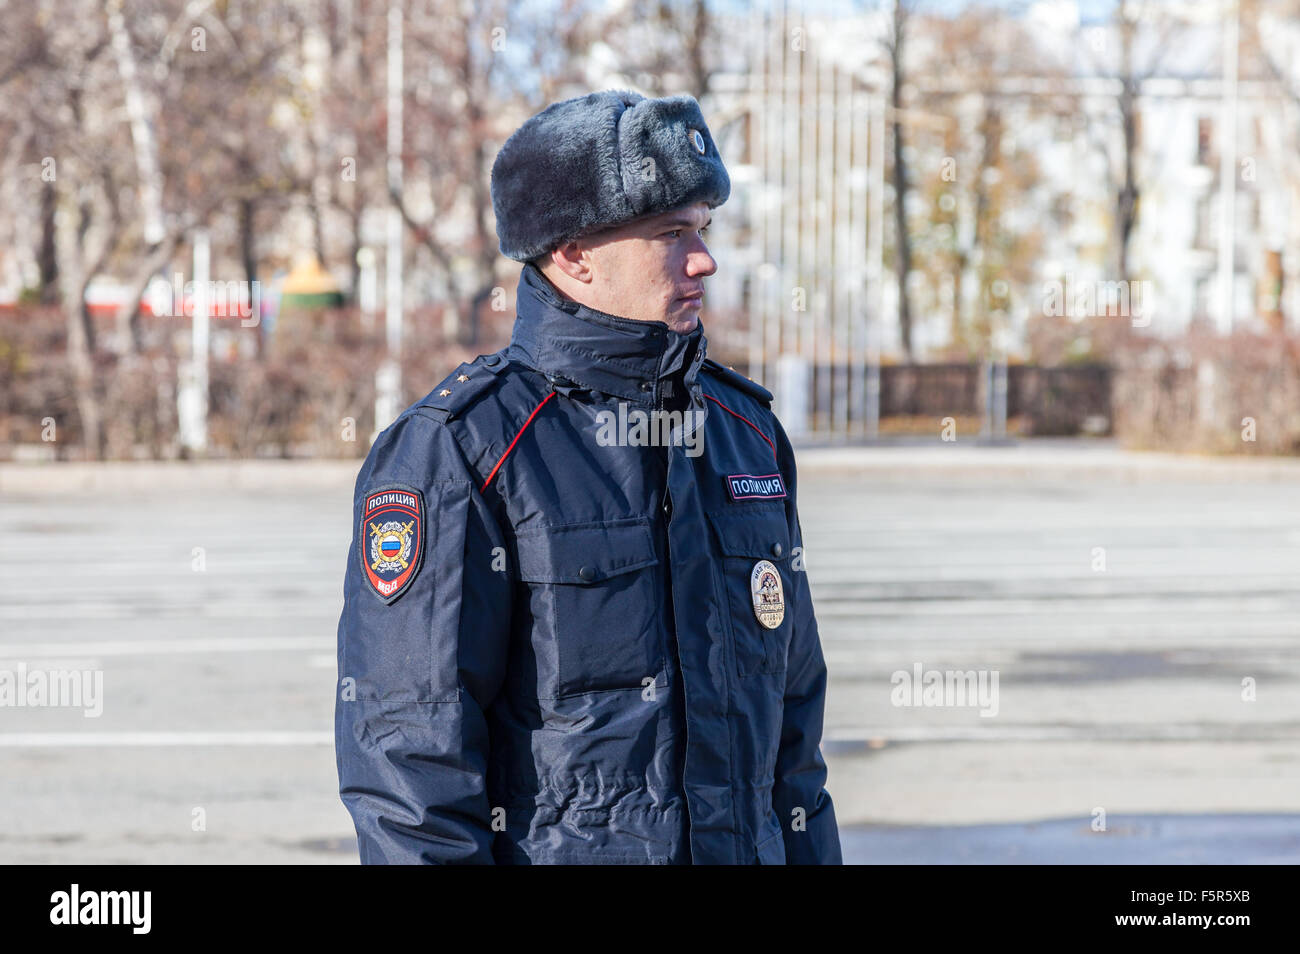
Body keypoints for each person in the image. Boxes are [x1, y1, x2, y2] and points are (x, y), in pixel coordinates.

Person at [335, 88, 841, 864]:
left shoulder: (745, 435)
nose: (705, 258)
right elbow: (413, 772)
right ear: (574, 254)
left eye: (703, 229)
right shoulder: (461, 447)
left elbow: (794, 741)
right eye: (672, 234)